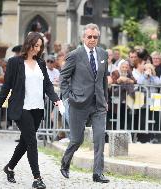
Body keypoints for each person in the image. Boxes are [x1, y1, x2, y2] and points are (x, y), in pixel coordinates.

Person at [0, 32, 61, 189]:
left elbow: (47, 85)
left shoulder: (41, 63)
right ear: (28, 44)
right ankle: (37, 178)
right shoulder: (15, 62)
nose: (38, 49)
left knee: (25, 141)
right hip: (21, 108)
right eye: (36, 46)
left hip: (37, 108)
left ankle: (9, 168)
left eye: (40, 47)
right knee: (32, 142)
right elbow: (7, 86)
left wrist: (55, 99)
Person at [59, 23, 110, 183]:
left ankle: (97, 173)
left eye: (95, 37)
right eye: (89, 37)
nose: (92, 39)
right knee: (77, 139)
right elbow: (63, 77)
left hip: (99, 104)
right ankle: (65, 162)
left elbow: (103, 80)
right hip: (78, 103)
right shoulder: (75, 55)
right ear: (83, 38)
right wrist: (68, 97)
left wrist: (105, 100)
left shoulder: (103, 54)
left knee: (100, 138)